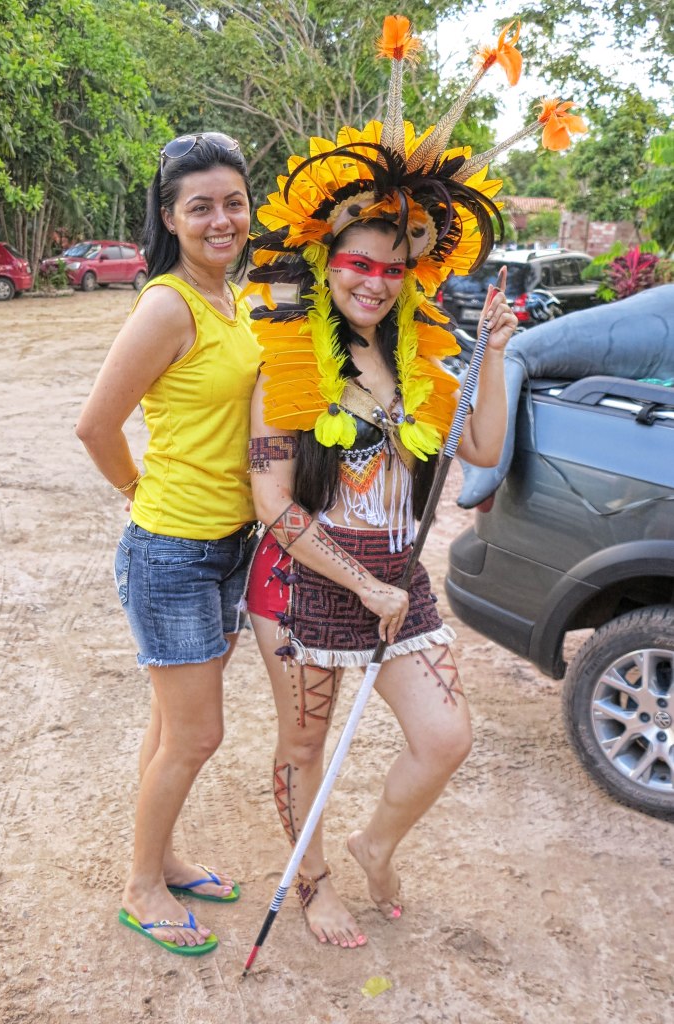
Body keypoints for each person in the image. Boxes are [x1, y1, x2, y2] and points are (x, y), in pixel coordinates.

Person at [243, 15, 585, 950]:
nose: (376, 282)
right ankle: (312, 885)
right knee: (303, 744)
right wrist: (361, 585)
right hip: (307, 582)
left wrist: (496, 354)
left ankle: (373, 844)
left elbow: (481, 447)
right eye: (358, 262)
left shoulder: (423, 357)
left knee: (445, 738)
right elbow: (274, 506)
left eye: (393, 269)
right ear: (326, 259)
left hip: (396, 578)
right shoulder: (285, 360)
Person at [76, 131, 262, 956]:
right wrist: (136, 491)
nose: (221, 220)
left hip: (230, 546)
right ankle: (140, 887)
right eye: (201, 207)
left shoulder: (233, 298)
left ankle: (162, 858)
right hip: (173, 551)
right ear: (170, 217)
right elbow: (95, 425)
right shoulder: (168, 304)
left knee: (170, 722)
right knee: (196, 734)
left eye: (233, 203)